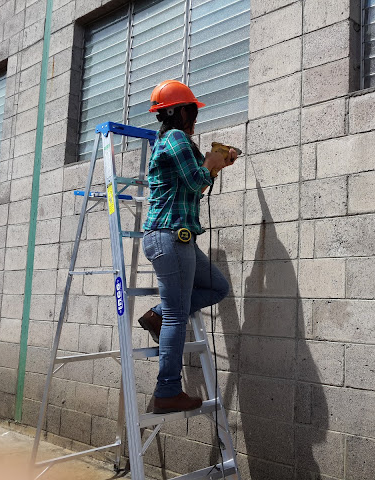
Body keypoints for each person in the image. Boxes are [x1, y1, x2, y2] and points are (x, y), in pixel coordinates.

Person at [139, 79, 237, 414]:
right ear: (180, 112)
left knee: (217, 286)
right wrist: (211, 162)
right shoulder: (176, 138)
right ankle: (166, 390)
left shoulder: (171, 140)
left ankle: (158, 315)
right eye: (192, 111)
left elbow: (194, 184)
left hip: (174, 236)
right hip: (170, 234)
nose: (194, 120)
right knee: (179, 315)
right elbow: (197, 181)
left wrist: (216, 164)